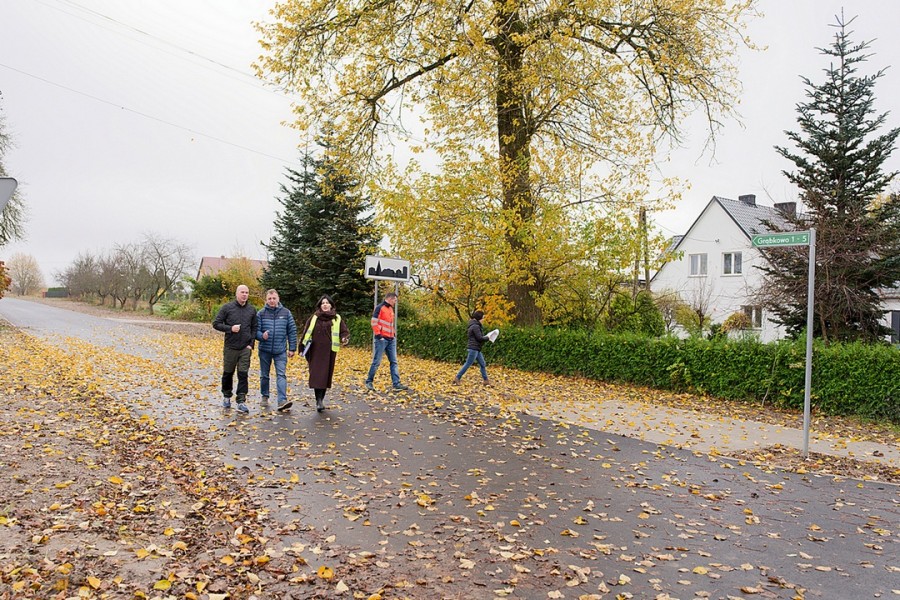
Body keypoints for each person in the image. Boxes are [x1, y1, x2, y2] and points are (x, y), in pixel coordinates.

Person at [212, 284, 258, 413]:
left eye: (247, 292)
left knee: (243, 374)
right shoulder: (227, 308)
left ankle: (241, 400)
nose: (245, 295)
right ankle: (227, 396)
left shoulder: (251, 310)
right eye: (242, 292)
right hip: (230, 347)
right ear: (237, 294)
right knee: (228, 373)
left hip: (245, 347)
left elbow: (254, 327)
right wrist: (230, 329)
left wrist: (251, 344)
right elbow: (216, 324)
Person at [300, 294, 350, 412]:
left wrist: (344, 338)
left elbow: (344, 331)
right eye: (323, 303)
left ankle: (321, 400)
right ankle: (318, 400)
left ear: (331, 305)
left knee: (325, 376)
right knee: (317, 376)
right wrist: (301, 346)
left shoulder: (337, 318)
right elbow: (306, 331)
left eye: (327, 303)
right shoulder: (314, 317)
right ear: (320, 305)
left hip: (329, 352)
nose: (325, 305)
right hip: (315, 351)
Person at [256, 289, 298, 411]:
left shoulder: (286, 313)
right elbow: (256, 331)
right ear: (266, 300)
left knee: (281, 375)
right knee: (264, 375)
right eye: (269, 299)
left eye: (274, 298)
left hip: (280, 351)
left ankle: (282, 400)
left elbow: (292, 331)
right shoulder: (261, 313)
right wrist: (261, 336)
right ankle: (265, 396)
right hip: (265, 350)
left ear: (278, 299)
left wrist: (292, 348)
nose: (272, 301)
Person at [364, 292, 409, 391]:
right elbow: (374, 322)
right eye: (395, 300)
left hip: (390, 339)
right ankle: (369, 382)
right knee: (376, 362)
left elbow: (390, 324)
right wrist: (379, 335)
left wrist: (393, 335)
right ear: (390, 299)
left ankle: (396, 384)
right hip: (382, 339)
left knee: (394, 361)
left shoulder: (390, 309)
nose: (395, 302)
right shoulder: (379, 308)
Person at [452, 310, 490, 385]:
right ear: (479, 318)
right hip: (473, 348)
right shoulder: (475, 326)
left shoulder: (475, 325)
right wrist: (488, 337)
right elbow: (479, 338)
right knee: (468, 363)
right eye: (483, 318)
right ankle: (457, 378)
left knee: (482, 364)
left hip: (477, 348)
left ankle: (486, 381)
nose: (483, 320)